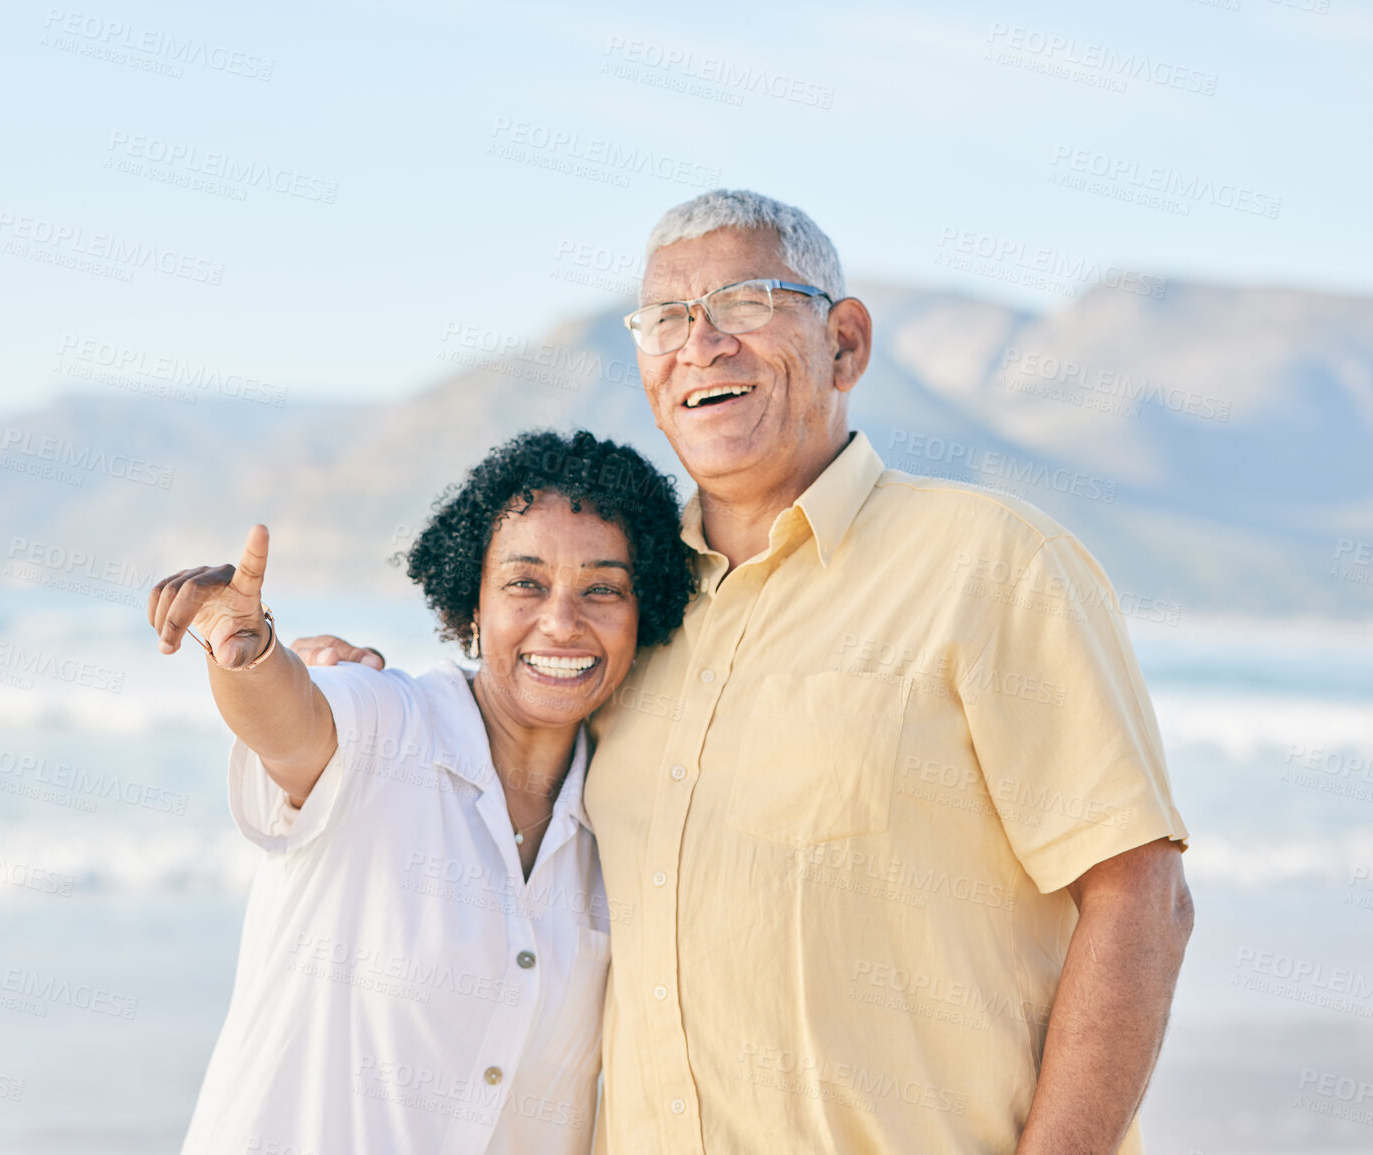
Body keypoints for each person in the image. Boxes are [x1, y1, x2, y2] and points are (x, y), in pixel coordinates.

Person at [297, 189, 1194, 1155]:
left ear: (843, 343)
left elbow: (1139, 893)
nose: (701, 345)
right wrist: (344, 697)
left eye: (744, 303)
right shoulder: (629, 610)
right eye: (667, 321)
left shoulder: (992, 562)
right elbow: (494, 779)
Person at [150, 430, 695, 1155]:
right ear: (470, 602)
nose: (561, 622)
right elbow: (291, 723)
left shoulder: (616, 830)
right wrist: (246, 655)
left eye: (602, 588)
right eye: (524, 584)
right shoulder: (386, 725)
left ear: (642, 613)